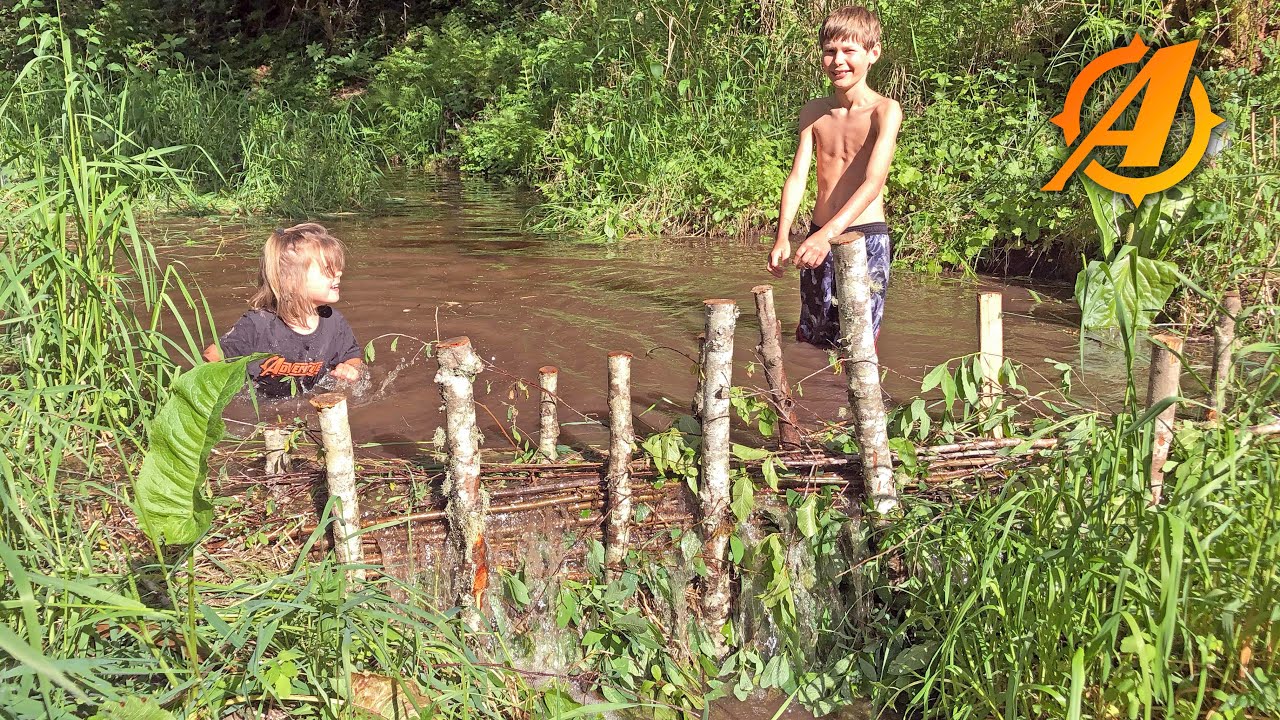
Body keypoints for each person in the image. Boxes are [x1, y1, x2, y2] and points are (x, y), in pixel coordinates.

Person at [766, 5, 902, 348]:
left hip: (864, 239)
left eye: (848, 51)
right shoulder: (814, 112)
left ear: (873, 53)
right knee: (812, 338)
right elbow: (798, 176)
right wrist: (783, 235)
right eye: (830, 52)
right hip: (817, 235)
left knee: (856, 341)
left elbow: (873, 183)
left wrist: (827, 236)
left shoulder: (885, 110)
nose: (838, 61)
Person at [202, 223, 364, 396]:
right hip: (261, 409)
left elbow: (352, 358)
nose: (338, 273)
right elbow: (210, 358)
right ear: (290, 281)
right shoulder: (257, 325)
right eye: (327, 270)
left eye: (338, 268)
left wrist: (351, 369)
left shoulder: (334, 322)